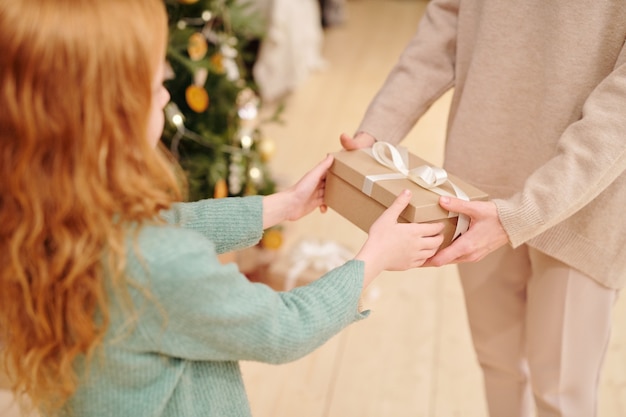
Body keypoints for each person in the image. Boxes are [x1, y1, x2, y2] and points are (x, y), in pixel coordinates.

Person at [0, 0, 447, 416]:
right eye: (156, 86)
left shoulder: (39, 216)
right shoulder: (156, 267)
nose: (165, 97)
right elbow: (283, 328)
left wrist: (282, 206)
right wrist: (373, 259)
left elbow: (168, 224)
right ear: (109, 118)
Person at [340, 1, 626, 416]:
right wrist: (378, 130)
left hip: (582, 200)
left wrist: (525, 213)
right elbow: (449, 15)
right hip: (474, 185)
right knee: (499, 366)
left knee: (562, 395)